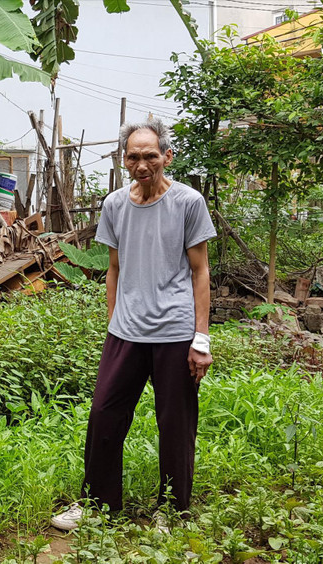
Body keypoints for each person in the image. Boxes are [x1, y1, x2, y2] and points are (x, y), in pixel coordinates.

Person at [51, 118, 216, 531]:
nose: (143, 164)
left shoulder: (188, 202)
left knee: (175, 423)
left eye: (151, 155)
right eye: (134, 156)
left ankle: (172, 508)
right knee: (105, 414)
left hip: (176, 333)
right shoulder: (115, 205)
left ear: (166, 157)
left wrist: (201, 338)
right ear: (124, 160)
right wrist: (113, 325)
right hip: (126, 333)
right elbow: (113, 269)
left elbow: (200, 272)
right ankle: (97, 504)